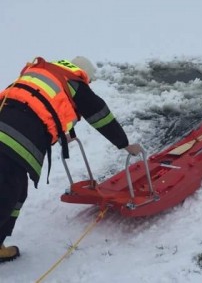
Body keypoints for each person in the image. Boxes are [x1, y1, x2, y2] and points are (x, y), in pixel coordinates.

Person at [0, 56, 142, 263]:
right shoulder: (76, 83)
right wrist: (125, 144)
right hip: (13, 142)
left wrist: (62, 131)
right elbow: (101, 116)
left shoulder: (41, 72)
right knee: (8, 192)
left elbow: (36, 104)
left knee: (15, 190)